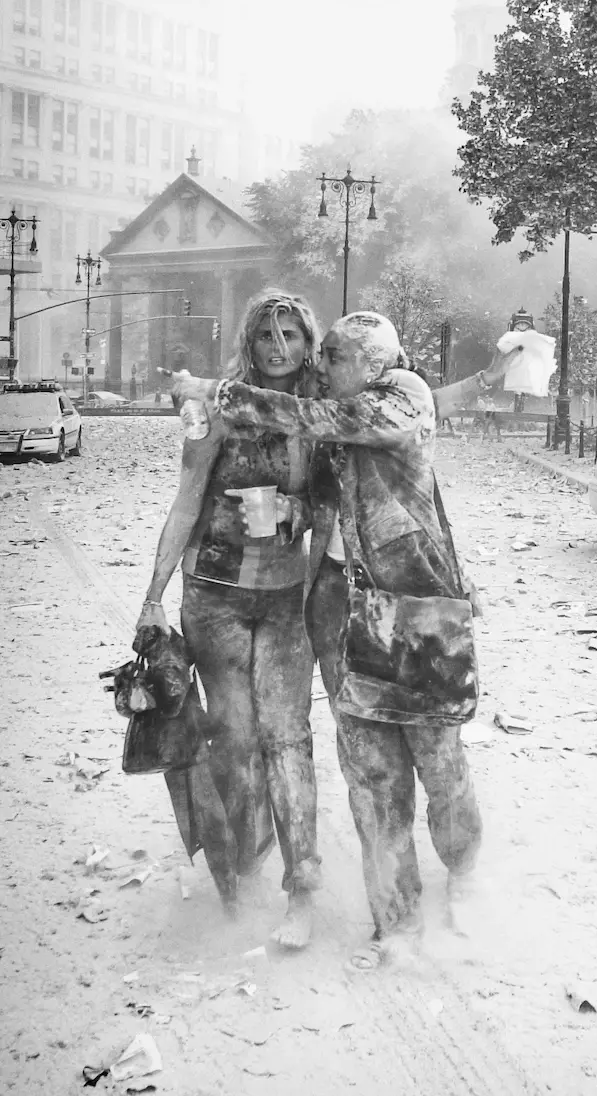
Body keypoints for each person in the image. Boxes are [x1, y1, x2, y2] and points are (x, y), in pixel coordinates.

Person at [171, 313, 522, 967]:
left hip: (416, 621)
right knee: (372, 780)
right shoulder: (338, 423)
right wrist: (291, 513)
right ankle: (397, 926)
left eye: (329, 355)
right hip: (342, 617)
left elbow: (324, 420)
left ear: (369, 364)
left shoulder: (401, 396)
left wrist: (217, 393)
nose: (319, 366)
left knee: (440, 768)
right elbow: (325, 501)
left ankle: (464, 868)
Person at [136, 289, 320, 949]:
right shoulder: (218, 409)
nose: (278, 347)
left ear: (308, 341)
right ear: (249, 339)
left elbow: (335, 501)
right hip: (213, 596)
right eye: (267, 334)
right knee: (235, 738)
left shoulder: (314, 413)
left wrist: (297, 514)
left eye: (291, 335)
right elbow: (186, 501)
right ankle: (240, 865)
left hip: (283, 598)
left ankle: (303, 889)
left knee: (288, 738)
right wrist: (154, 593)